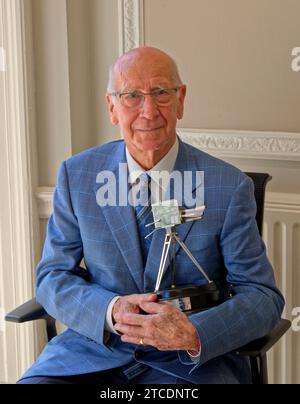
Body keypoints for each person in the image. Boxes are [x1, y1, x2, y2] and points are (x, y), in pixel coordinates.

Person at [18, 47, 284, 384]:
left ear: (180, 100)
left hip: (193, 365)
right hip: (90, 357)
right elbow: (53, 277)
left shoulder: (227, 186)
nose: (148, 111)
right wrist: (111, 310)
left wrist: (192, 332)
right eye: (131, 96)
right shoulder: (77, 176)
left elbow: (262, 297)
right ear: (112, 107)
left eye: (160, 93)